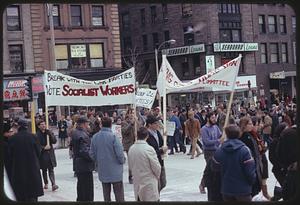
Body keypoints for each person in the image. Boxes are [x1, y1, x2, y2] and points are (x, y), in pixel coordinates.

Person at [213, 125, 256, 202]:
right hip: (243, 190)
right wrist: (251, 182)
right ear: (239, 134)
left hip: (226, 189)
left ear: (226, 134)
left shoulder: (219, 150)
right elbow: (250, 172)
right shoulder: (245, 150)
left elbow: (215, 168)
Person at [89, 117, 126, 202]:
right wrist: (122, 161)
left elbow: (91, 153)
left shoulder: (95, 137)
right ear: (111, 125)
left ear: (101, 125)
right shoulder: (113, 137)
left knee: (106, 194)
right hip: (115, 170)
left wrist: (97, 161)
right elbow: (119, 153)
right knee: (119, 194)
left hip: (103, 169)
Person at [7, 119, 44, 201]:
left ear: (18, 126)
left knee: (21, 196)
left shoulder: (12, 139)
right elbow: (39, 152)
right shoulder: (33, 137)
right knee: (33, 196)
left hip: (18, 171)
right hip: (32, 170)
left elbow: (10, 156)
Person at [128, 127, 161, 201]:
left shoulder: (131, 148)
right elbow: (156, 167)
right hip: (148, 182)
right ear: (147, 136)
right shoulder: (149, 149)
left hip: (137, 180)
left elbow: (130, 166)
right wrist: (157, 176)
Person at [71, 116, 94, 201]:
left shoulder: (76, 132)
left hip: (79, 164)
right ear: (84, 124)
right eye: (87, 123)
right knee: (87, 189)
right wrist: (93, 157)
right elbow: (84, 151)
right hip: (84, 165)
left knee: (81, 187)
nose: (88, 125)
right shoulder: (81, 135)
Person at [239, 117, 263, 198]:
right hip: (249, 166)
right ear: (244, 125)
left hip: (255, 164)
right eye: (249, 124)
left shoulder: (251, 135)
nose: (252, 126)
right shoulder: (243, 137)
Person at [199, 112, 222, 194]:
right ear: (208, 119)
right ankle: (203, 184)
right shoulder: (204, 129)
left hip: (217, 151)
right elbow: (206, 142)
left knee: (216, 169)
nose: (214, 119)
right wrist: (218, 141)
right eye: (212, 118)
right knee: (209, 169)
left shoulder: (216, 127)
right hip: (209, 151)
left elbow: (220, 135)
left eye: (215, 117)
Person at [146, 115, 168, 192]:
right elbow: (150, 151)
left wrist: (164, 137)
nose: (157, 125)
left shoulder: (157, 132)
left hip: (160, 160)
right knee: (156, 184)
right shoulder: (147, 135)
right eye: (155, 123)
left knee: (163, 183)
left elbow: (162, 143)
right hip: (153, 162)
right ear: (149, 125)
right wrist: (161, 150)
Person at [36, 120, 59, 192]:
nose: (43, 125)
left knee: (51, 169)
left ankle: (53, 184)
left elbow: (54, 141)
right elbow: (37, 145)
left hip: (50, 154)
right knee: (44, 170)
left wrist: (50, 134)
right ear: (39, 126)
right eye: (41, 124)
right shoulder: (37, 135)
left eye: (44, 124)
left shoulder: (48, 132)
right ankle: (46, 183)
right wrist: (43, 148)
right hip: (43, 155)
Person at [121, 109, 137, 184]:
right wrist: (131, 124)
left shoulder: (135, 121)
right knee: (131, 160)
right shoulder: (124, 123)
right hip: (128, 144)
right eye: (131, 113)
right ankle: (131, 176)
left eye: (133, 113)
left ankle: (136, 175)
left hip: (135, 143)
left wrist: (137, 120)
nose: (132, 115)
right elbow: (124, 131)